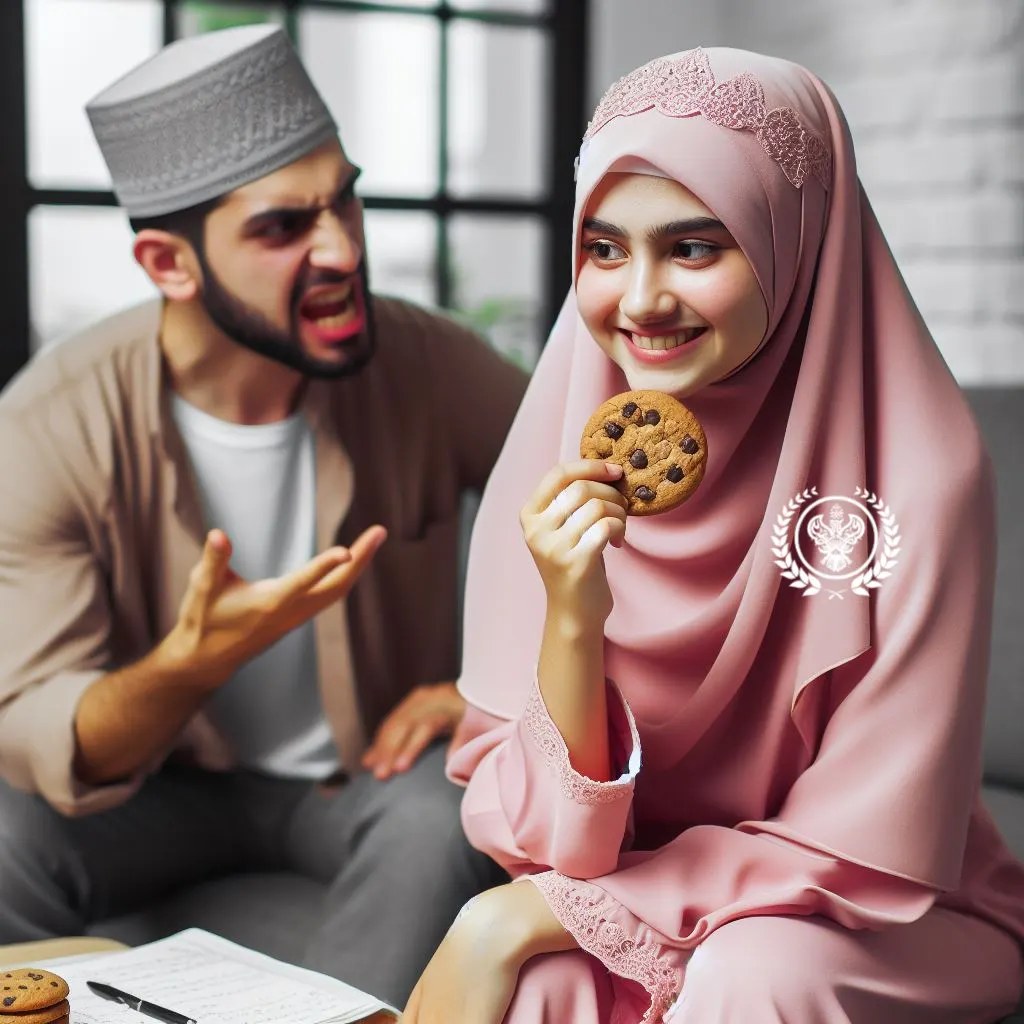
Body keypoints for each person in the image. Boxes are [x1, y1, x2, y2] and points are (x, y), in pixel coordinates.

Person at [400, 46, 1024, 1023]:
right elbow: (556, 845)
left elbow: (867, 848)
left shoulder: (924, 478)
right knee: (543, 981)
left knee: (748, 971)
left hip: (891, 919)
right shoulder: (559, 448)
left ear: (795, 239)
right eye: (603, 249)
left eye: (693, 248)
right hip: (653, 886)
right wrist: (572, 616)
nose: (639, 300)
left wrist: (516, 918)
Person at [0, 23, 524, 1007]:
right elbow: (42, 730)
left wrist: (497, 686)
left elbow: (605, 496)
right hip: (152, 794)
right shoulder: (47, 425)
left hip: (369, 779)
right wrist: (191, 664)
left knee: (448, 812)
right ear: (168, 262)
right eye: (283, 229)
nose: (343, 249)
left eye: (346, 200)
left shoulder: (424, 362)